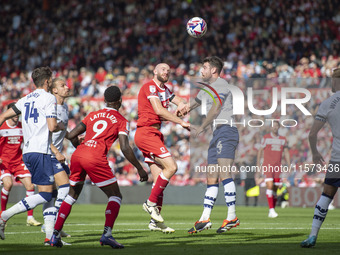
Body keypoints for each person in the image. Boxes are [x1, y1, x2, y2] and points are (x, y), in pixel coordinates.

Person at [50, 86, 148, 248]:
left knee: (71, 195)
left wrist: (80, 148)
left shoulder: (93, 115)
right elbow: (124, 147)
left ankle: (54, 236)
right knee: (115, 196)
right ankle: (107, 235)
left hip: (78, 155)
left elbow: (72, 135)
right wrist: (139, 167)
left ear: (104, 100)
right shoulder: (122, 120)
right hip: (95, 157)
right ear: (119, 101)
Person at [0, 66, 64, 240]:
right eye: (51, 79)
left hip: (28, 152)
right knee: (45, 194)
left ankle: (51, 238)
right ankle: (4, 215)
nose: (51, 82)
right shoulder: (49, 98)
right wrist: (61, 125)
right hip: (40, 150)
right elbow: (52, 126)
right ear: (46, 81)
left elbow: (3, 116)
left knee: (49, 193)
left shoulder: (24, 99)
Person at [186, 56, 240, 234]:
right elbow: (194, 103)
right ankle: (204, 218)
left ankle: (232, 217)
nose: (201, 70)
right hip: (217, 134)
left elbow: (216, 107)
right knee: (211, 178)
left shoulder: (222, 85)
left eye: (204, 67)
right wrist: (181, 108)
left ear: (214, 70)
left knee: (225, 173)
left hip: (227, 130)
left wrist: (202, 126)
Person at [134, 63, 190, 233]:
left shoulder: (164, 89)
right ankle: (150, 204)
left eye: (168, 70)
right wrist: (180, 121)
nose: (167, 72)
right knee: (172, 167)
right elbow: (158, 110)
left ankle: (154, 222)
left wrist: (183, 104)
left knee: (160, 180)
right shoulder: (150, 86)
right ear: (155, 71)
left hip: (153, 134)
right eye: (163, 69)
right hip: (146, 133)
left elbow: (179, 100)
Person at [301, 68, 340, 248]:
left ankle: (313, 236)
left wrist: (316, 153)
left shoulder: (327, 103)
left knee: (326, 195)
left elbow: (312, 134)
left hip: (336, 159)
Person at [42, 77, 75, 245]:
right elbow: (45, 134)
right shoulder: (51, 106)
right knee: (64, 189)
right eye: (62, 85)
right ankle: (53, 230)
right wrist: (56, 151)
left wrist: (74, 139)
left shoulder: (64, 107)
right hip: (48, 154)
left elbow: (62, 130)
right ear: (54, 90)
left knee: (52, 194)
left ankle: (52, 230)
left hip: (55, 154)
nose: (67, 87)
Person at [0, 102, 42, 227]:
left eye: (18, 113)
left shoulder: (22, 127)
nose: (17, 115)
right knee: (8, 184)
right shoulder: (2, 127)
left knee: (30, 186)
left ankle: (30, 218)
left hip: (18, 162)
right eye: (15, 113)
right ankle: (2, 214)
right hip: (4, 162)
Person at [257, 121, 290, 218]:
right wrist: (258, 164)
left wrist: (288, 164)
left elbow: (286, 152)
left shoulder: (283, 139)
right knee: (270, 185)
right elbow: (260, 151)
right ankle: (271, 210)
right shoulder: (266, 138)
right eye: (273, 126)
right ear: (271, 128)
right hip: (268, 165)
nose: (275, 127)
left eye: (276, 126)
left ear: (279, 127)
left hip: (278, 166)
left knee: (276, 188)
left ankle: (272, 210)